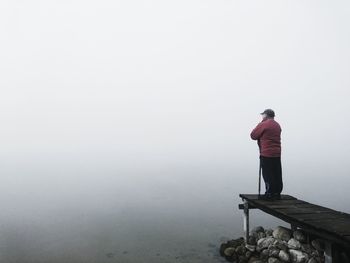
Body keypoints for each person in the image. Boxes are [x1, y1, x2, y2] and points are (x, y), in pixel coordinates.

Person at [250, 109, 282, 200]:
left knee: (268, 174)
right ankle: (277, 193)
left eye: (263, 114)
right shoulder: (277, 125)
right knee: (276, 173)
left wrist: (260, 124)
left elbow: (253, 135)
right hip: (277, 153)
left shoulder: (264, 124)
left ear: (266, 115)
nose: (262, 116)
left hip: (266, 153)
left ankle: (269, 193)